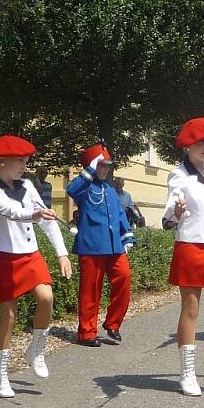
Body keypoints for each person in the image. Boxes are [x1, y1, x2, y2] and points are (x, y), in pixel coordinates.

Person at [0, 135, 72, 397]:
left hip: (30, 255)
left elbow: (46, 221)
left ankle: (36, 349)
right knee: (8, 317)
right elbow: (12, 212)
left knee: (46, 297)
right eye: (19, 161)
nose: (24, 165)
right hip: (5, 257)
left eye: (26, 160)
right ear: (1, 162)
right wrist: (34, 214)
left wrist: (61, 254)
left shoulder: (29, 186)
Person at [163, 117, 204, 396]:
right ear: (187, 147)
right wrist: (176, 210)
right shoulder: (180, 175)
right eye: (200, 143)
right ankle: (187, 372)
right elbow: (170, 209)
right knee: (191, 308)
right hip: (192, 245)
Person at [67, 143, 135, 347]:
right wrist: (89, 170)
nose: (106, 169)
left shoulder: (109, 188)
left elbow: (120, 213)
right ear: (93, 165)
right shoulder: (84, 186)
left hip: (114, 245)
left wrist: (128, 235)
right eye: (102, 165)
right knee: (91, 290)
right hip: (91, 246)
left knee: (124, 277)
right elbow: (71, 190)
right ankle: (87, 332)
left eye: (107, 166)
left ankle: (113, 323)